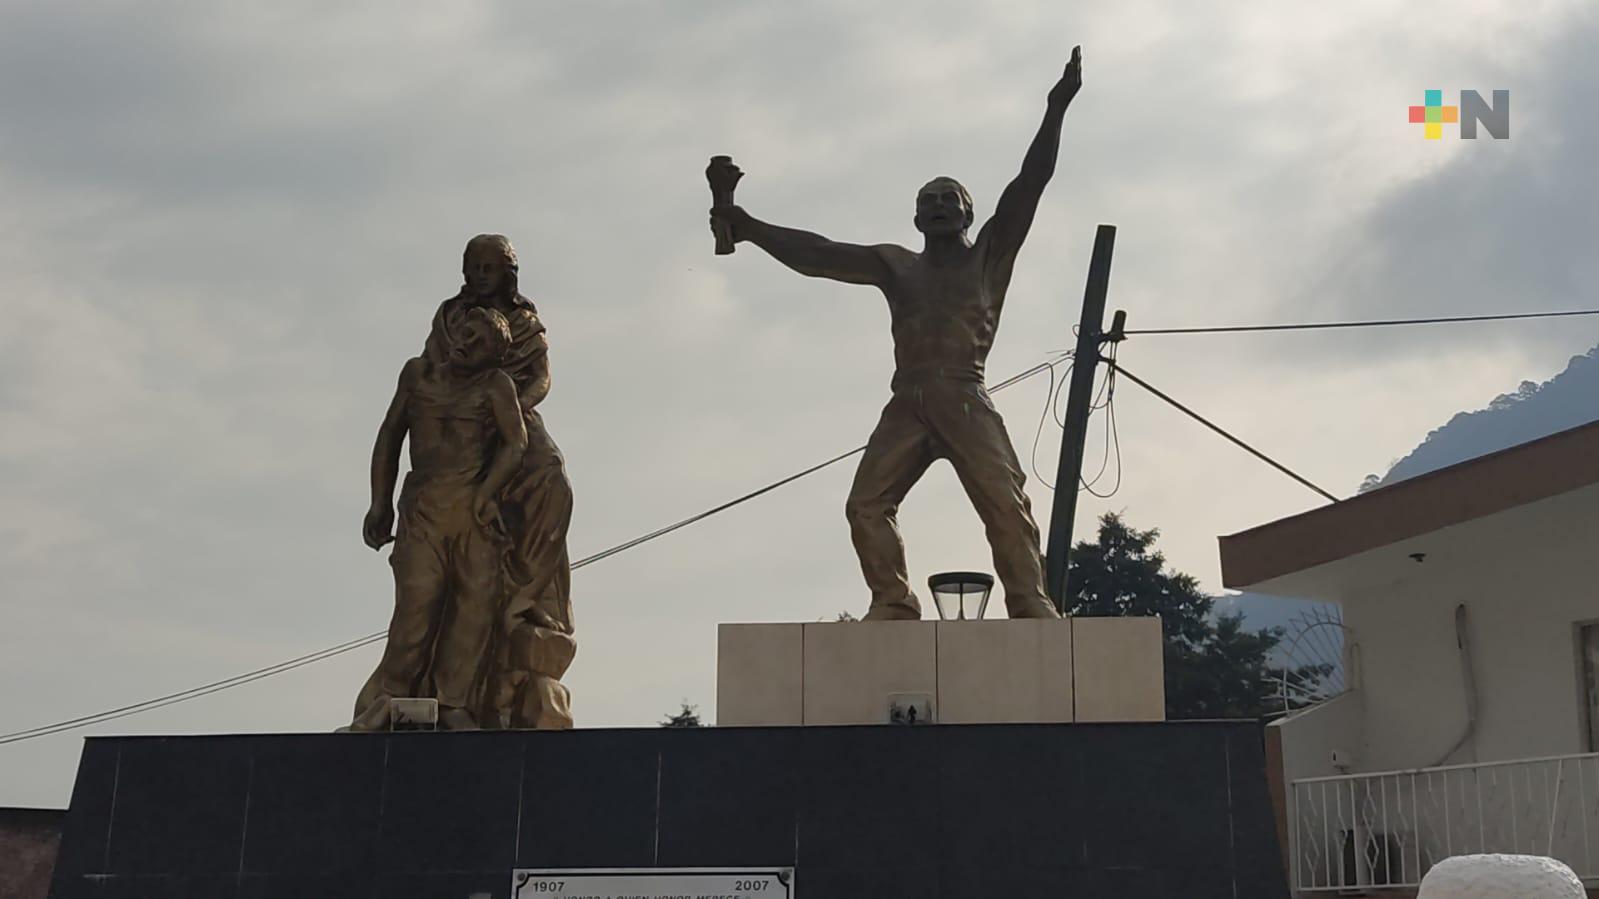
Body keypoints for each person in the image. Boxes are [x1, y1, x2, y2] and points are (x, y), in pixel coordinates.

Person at [709, 48, 1084, 621]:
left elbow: (1030, 183)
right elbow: (820, 255)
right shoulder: (895, 264)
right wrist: (751, 226)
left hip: (963, 392)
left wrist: (1055, 109)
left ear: (967, 213)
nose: (937, 207)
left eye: (948, 200)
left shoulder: (988, 256)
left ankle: (1029, 600)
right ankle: (893, 600)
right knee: (865, 504)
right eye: (926, 202)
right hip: (906, 399)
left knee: (1006, 505)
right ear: (915, 220)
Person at [353, 306, 528, 731]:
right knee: (417, 604)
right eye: (465, 334)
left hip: (471, 510)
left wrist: (487, 494)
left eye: (480, 343)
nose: (467, 344)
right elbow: (389, 437)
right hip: (424, 508)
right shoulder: (417, 375)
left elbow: (515, 443)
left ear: (493, 357)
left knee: (474, 606)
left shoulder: (495, 385)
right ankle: (390, 698)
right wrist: (381, 503)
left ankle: (453, 703)